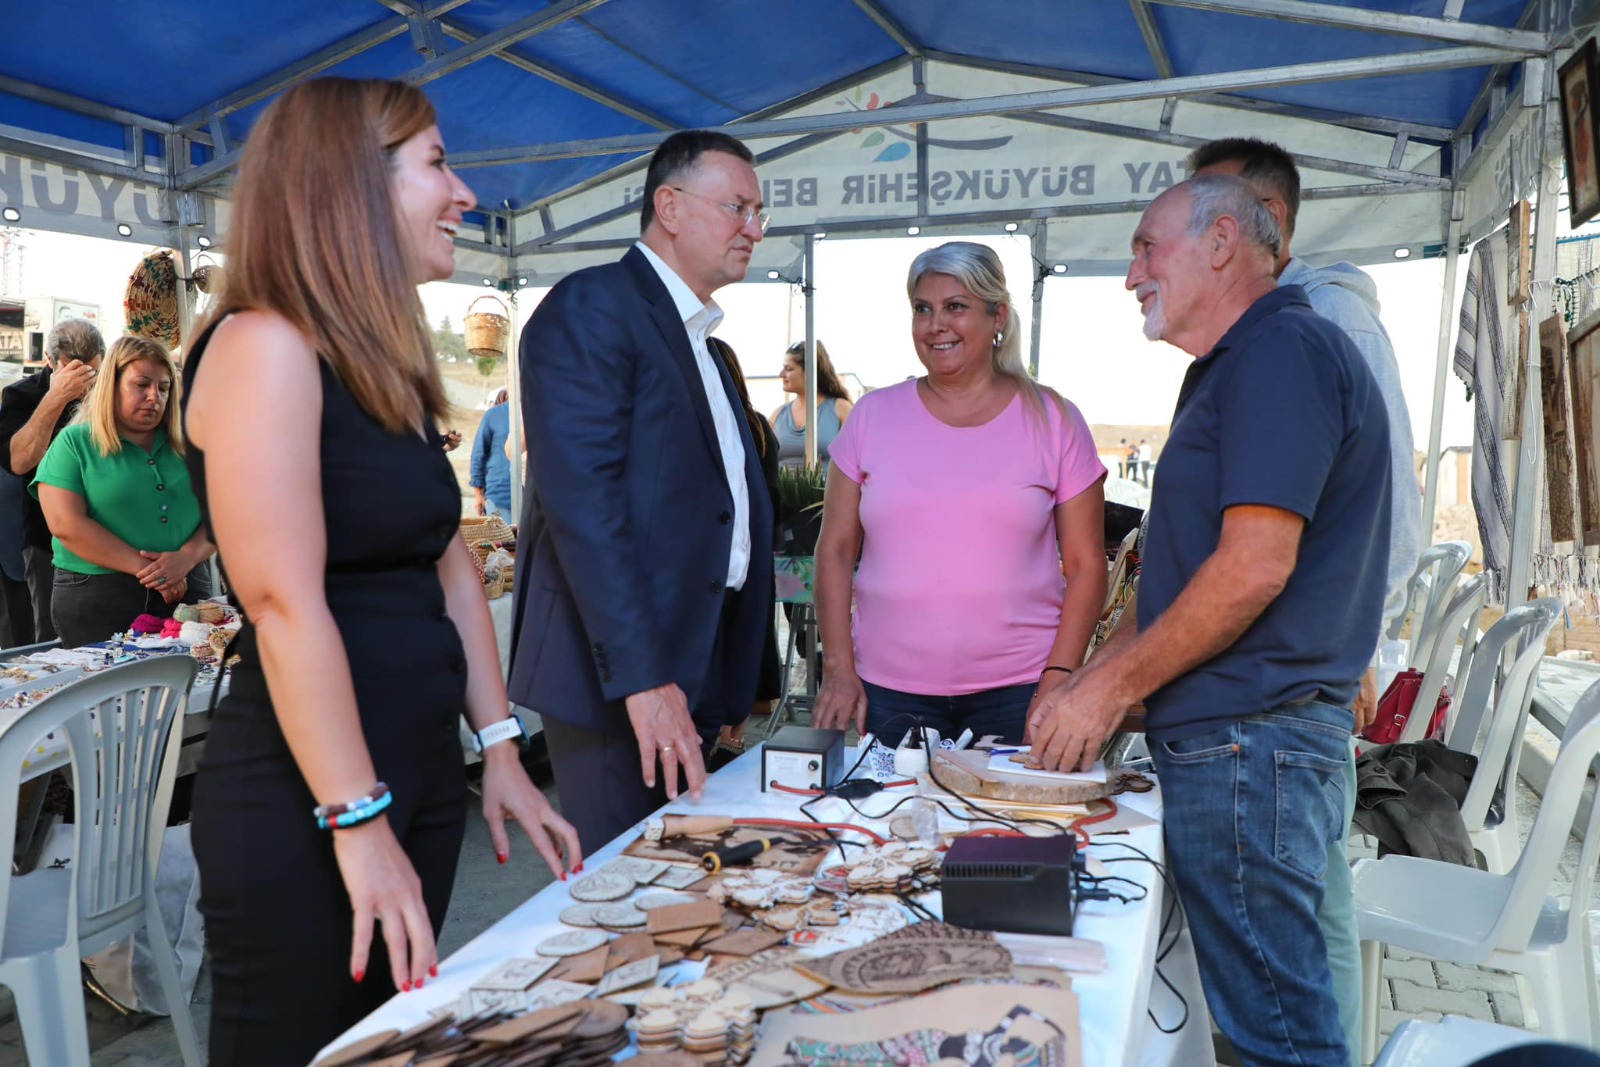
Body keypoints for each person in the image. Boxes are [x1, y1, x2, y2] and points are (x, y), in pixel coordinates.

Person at [179, 78, 580, 1067]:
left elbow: (442, 559)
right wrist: (357, 821)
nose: (467, 193)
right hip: (308, 799)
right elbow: (279, 598)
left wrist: (499, 745)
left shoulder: (376, 362)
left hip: (407, 776)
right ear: (349, 186)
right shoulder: (261, 341)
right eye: (439, 163)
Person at [1026, 174, 1391, 1067]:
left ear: (1222, 241)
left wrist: (1105, 691)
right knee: (1258, 1025)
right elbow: (1176, 581)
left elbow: (1253, 568)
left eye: (1147, 246)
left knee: (1278, 1038)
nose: (1130, 275)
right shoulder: (1232, 367)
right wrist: (1084, 684)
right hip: (1239, 747)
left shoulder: (1281, 352)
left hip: (1250, 748)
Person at [1190, 135, 1423, 1064]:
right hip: (1279, 687)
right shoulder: (1260, 336)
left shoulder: (1321, 325)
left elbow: (1391, 516)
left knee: (1306, 923)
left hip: (1286, 694)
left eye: (1211, 215)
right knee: (1305, 910)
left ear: (1263, 225)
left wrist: (1354, 641)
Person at [507, 129, 775, 853]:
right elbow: (583, 504)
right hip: (618, 677)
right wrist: (646, 679)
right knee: (627, 892)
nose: (753, 228)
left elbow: (727, 511)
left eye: (760, 213)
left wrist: (741, 672)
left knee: (680, 886)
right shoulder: (593, 307)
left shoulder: (708, 347)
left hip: (685, 664)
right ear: (671, 205)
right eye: (738, 207)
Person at [811, 241, 1107, 745]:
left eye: (956, 307)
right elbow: (835, 551)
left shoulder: (1055, 419)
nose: (935, 325)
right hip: (885, 693)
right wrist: (838, 668)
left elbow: (1086, 566)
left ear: (998, 316)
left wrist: (1059, 676)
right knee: (883, 824)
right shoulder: (871, 417)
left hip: (1021, 692)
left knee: (1016, 826)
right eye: (922, 309)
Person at [31, 336, 211, 647]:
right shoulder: (74, 444)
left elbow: (226, 512)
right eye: (141, 385)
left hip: (186, 586)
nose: (154, 396)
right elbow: (66, 524)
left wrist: (186, 557)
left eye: (164, 388)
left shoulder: (193, 445)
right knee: (110, 690)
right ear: (111, 386)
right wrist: (153, 571)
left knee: (188, 687)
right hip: (97, 595)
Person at [0, 317, 105, 643]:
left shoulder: (109, 391)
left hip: (107, 531)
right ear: (51, 362)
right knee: (49, 637)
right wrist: (56, 397)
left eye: (94, 372)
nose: (87, 383)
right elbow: (18, 461)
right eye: (78, 372)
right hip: (46, 538)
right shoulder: (23, 396)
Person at [710, 337, 781, 759]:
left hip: (726, 561)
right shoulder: (759, 426)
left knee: (722, 647)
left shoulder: (729, 428)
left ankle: (724, 739)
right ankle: (732, 738)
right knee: (745, 643)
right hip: (754, 558)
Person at [770, 340, 853, 469]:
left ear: (810, 371)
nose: (781, 374)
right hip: (779, 489)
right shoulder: (777, 415)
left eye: (789, 369)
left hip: (825, 489)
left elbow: (857, 460)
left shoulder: (841, 409)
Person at [469, 387, 514, 521]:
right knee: (501, 542)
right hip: (499, 498)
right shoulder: (494, 416)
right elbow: (478, 454)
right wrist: (478, 494)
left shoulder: (542, 414)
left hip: (535, 499)